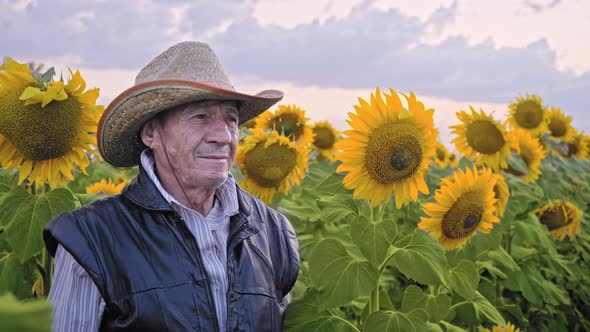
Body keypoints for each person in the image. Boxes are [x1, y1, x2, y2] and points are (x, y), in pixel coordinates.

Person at [43, 41, 300, 331]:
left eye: (231, 119)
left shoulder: (273, 231)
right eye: (200, 116)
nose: (223, 136)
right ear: (151, 132)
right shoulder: (91, 240)